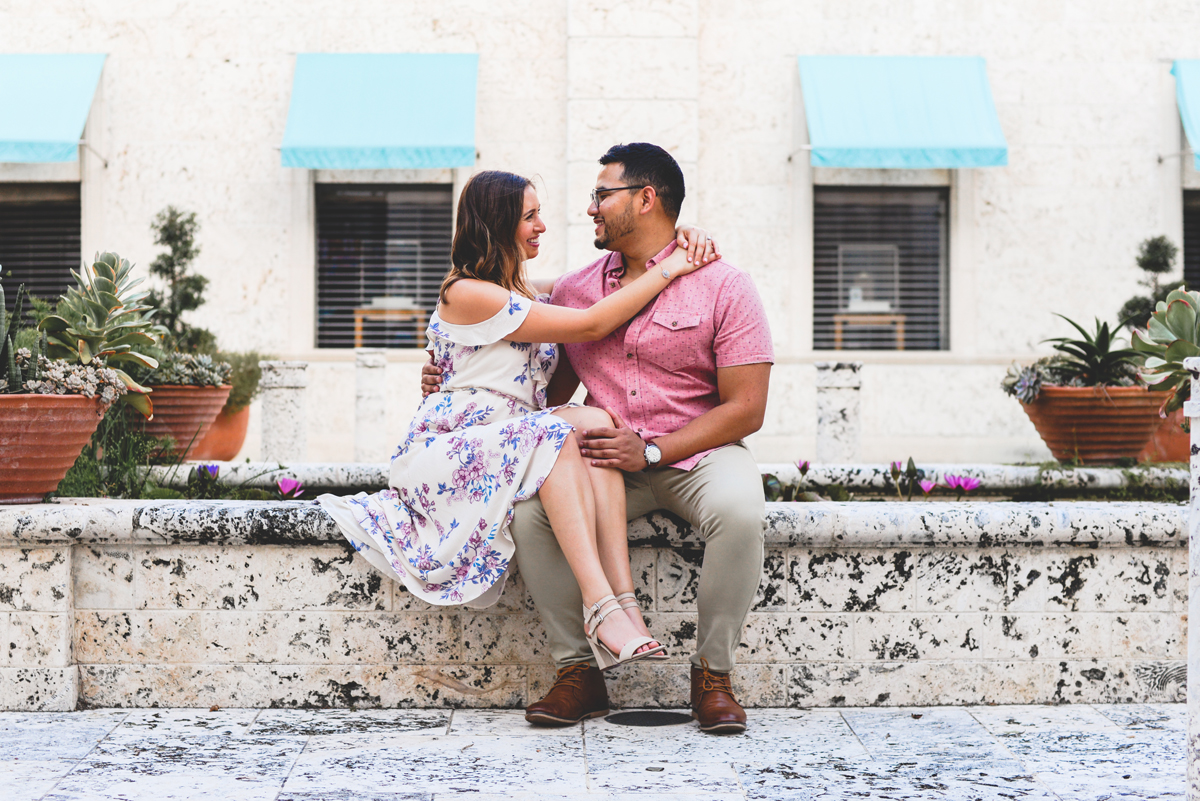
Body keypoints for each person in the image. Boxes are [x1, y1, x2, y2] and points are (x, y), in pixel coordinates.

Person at [423, 143, 773, 734]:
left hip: (699, 452)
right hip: (605, 460)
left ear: (645, 198)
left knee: (740, 512)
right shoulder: (576, 290)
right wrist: (446, 374)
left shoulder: (724, 286)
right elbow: (537, 380)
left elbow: (747, 408)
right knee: (531, 518)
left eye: (600, 195)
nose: (589, 208)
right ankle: (578, 673)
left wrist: (657, 450)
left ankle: (713, 677)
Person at [319, 169, 720, 671]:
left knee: (598, 421)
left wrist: (678, 237)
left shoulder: (522, 290)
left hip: (509, 438)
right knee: (555, 430)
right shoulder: (468, 292)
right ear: (498, 222)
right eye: (530, 216)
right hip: (449, 448)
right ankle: (599, 607)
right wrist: (674, 266)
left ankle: (625, 606)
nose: (542, 227)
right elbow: (593, 321)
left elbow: (597, 284)